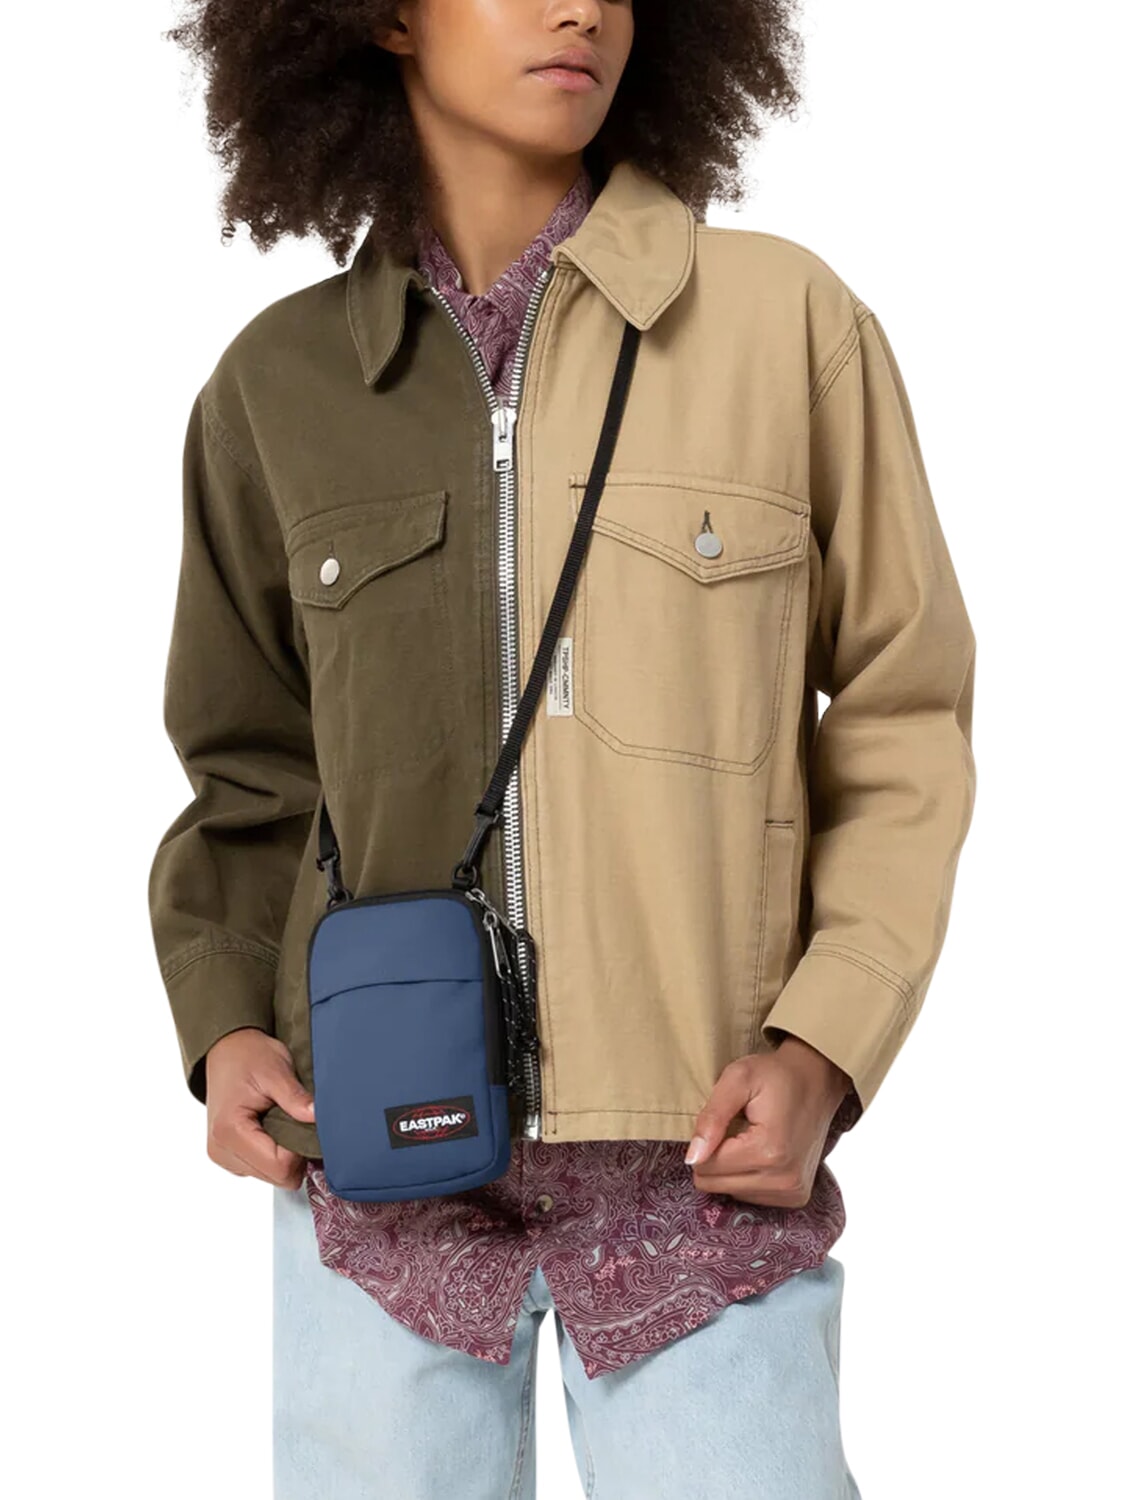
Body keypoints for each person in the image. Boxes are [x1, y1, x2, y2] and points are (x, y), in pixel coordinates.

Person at [149, 2, 976, 1496]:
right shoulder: (278, 386)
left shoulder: (786, 325)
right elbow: (248, 764)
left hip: (705, 1175)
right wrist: (221, 1022)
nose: (581, 7)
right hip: (379, 1168)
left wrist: (824, 1045)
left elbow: (902, 710)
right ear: (382, 16)